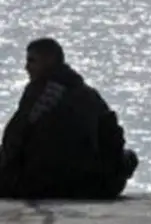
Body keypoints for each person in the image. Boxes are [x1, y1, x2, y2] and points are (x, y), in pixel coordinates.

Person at [0, 38, 138, 199]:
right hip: (94, 184)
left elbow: (13, 140)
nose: (27, 68)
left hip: (42, 183)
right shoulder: (88, 94)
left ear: (49, 60)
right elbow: (112, 137)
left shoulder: (38, 95)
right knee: (129, 157)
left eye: (32, 61)